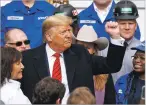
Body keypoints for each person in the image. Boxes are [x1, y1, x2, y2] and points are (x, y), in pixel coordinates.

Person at [21, 15, 126, 104]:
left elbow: (112, 65)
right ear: (49, 36)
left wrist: (115, 37)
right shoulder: (27, 58)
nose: (69, 35)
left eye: (69, 31)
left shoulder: (80, 53)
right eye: (63, 32)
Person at [99, 0, 142, 84]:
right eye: (122, 23)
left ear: (136, 25)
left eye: (130, 23)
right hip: (109, 96)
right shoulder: (103, 48)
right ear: (116, 24)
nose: (127, 27)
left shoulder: (142, 49)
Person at [76, 25, 116, 104]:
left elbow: (110, 101)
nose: (84, 51)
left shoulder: (105, 73)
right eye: (80, 47)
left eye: (88, 48)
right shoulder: (67, 66)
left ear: (94, 49)